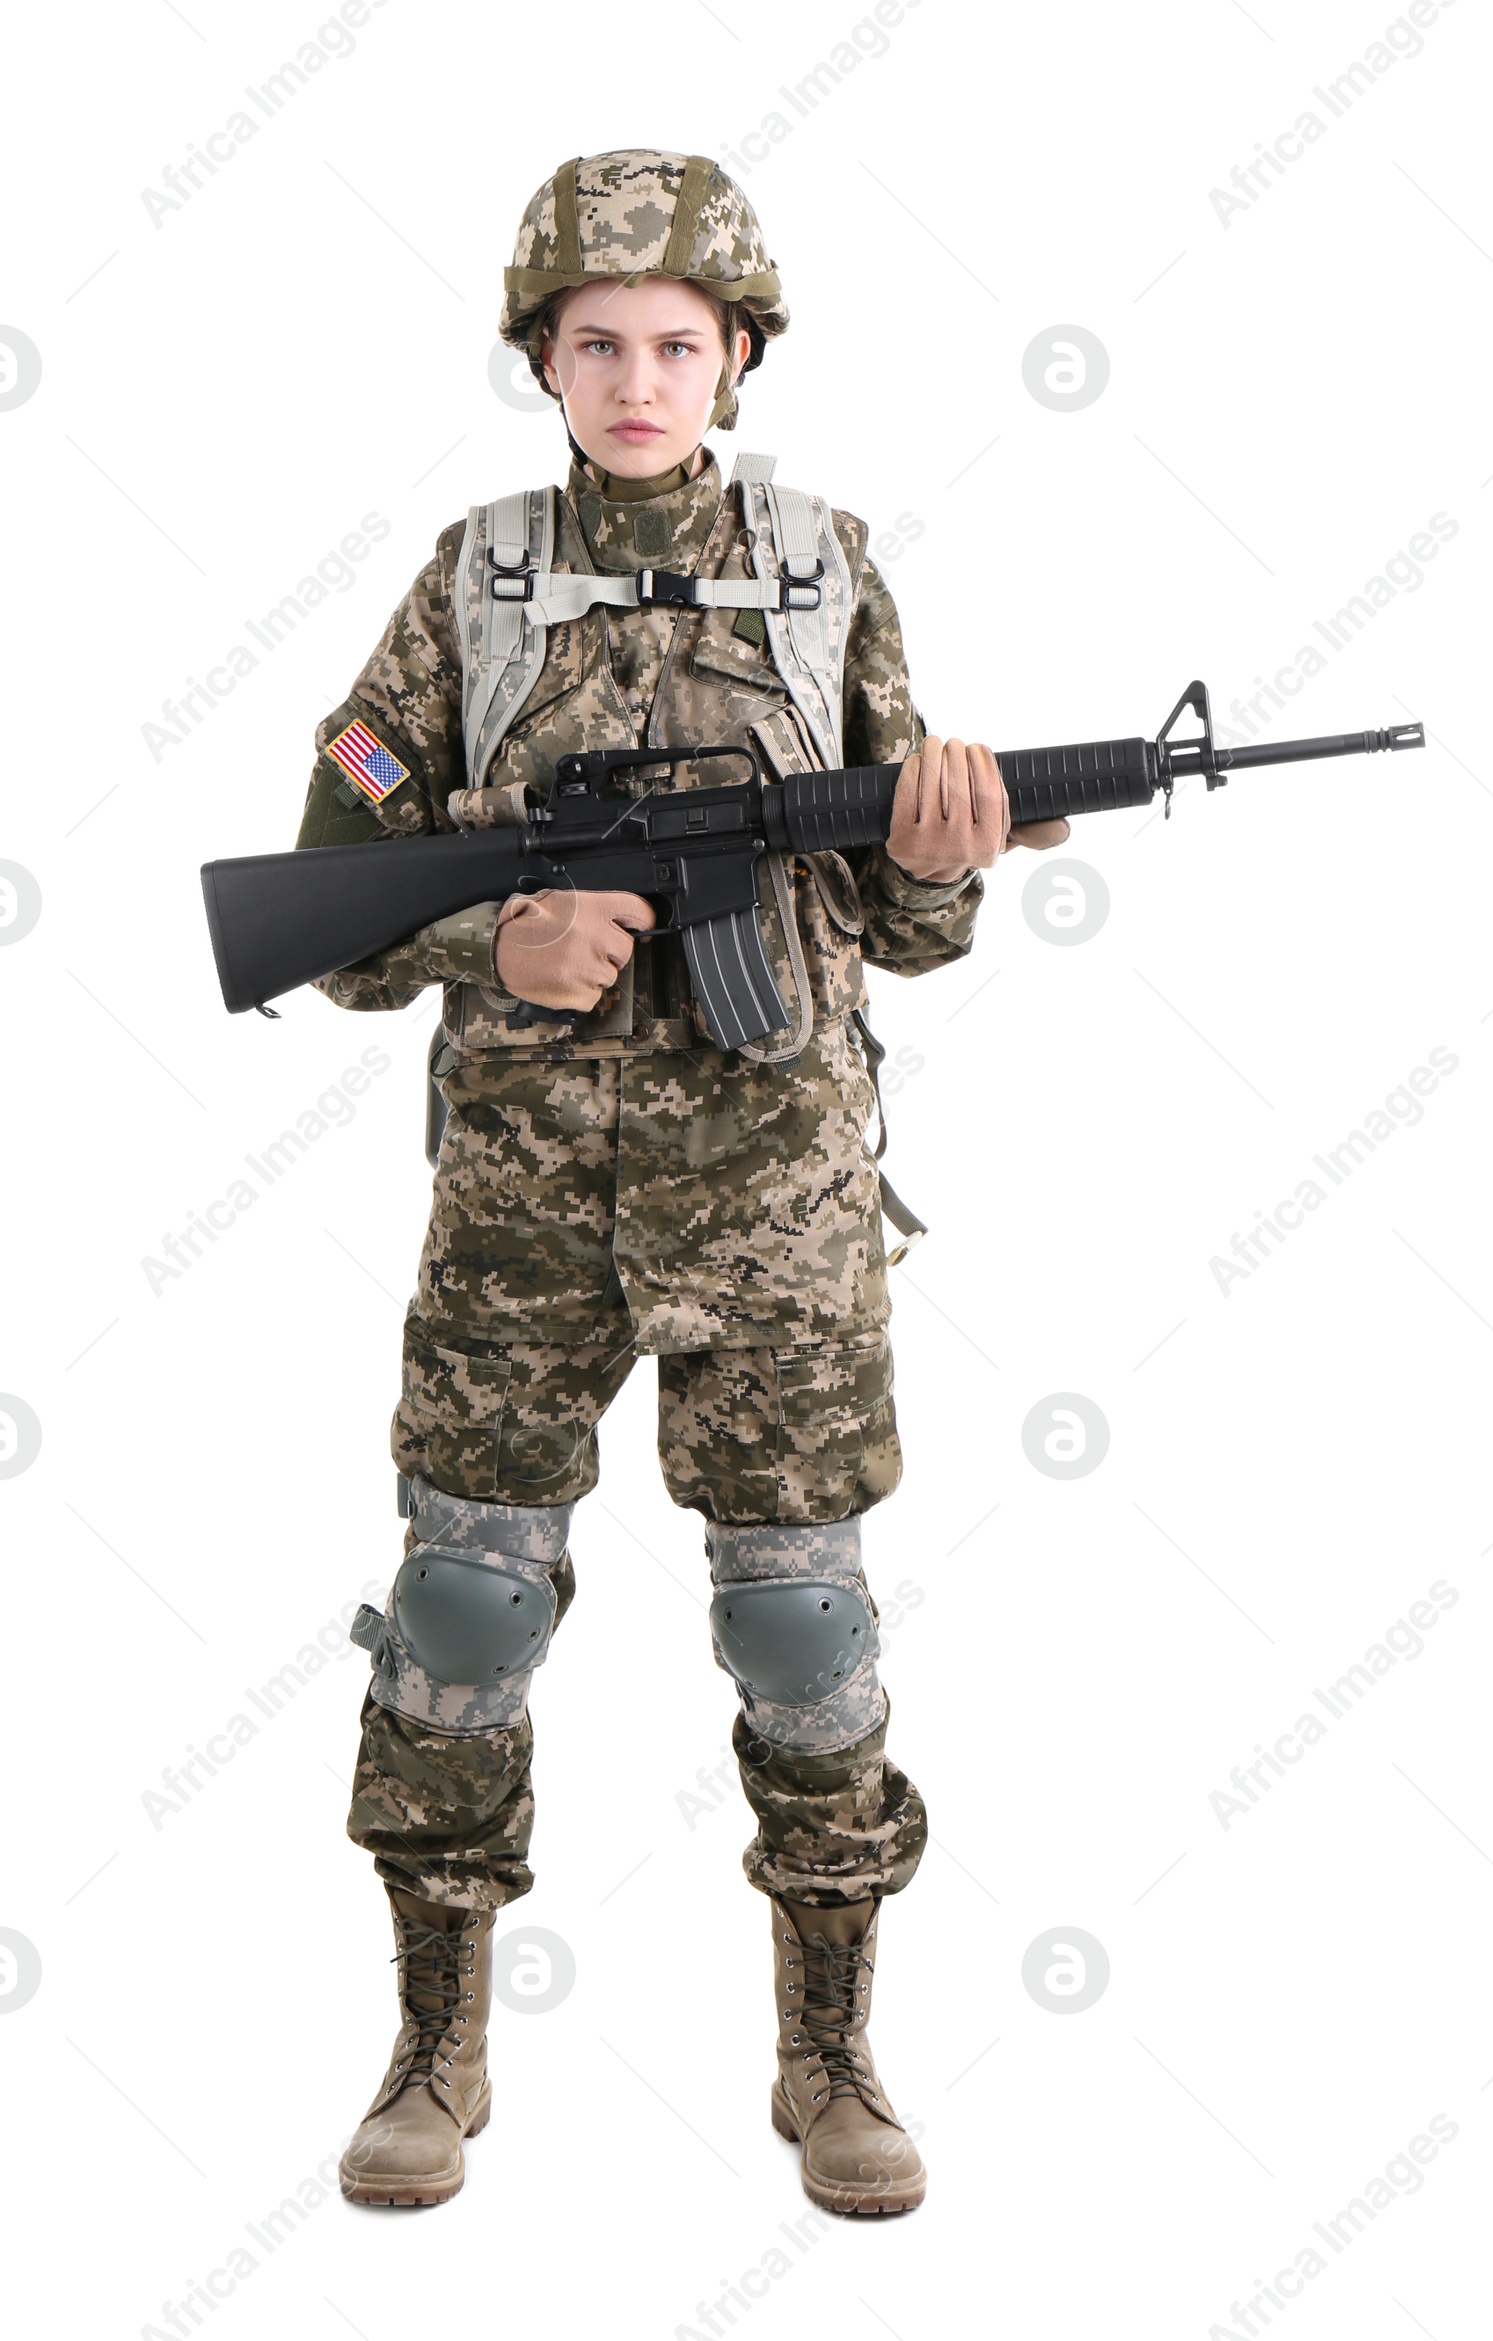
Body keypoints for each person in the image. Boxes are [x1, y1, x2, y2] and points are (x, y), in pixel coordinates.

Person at [296, 150, 1064, 2216]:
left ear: (736, 359)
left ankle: (829, 2050)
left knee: (803, 1633)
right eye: (595, 342)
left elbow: (903, 937)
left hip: (781, 1219)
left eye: (676, 343)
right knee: (462, 1600)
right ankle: (431, 2038)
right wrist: (494, 939)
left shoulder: (826, 574)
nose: (637, 378)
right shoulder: (467, 585)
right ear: (540, 356)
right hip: (523, 1220)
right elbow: (322, 910)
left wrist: (938, 856)